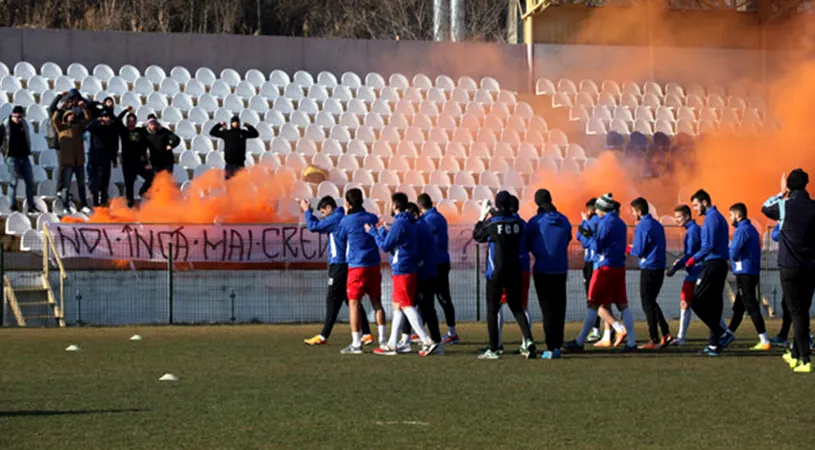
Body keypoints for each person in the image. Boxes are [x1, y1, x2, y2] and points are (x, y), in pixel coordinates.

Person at [367, 193, 440, 357]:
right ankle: (392, 343)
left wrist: (374, 232)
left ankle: (427, 341)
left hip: (402, 268)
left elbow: (386, 246)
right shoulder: (409, 222)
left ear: (394, 205)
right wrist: (383, 232)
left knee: (406, 305)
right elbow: (396, 243)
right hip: (407, 267)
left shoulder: (400, 222)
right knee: (398, 305)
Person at [565, 193, 637, 352]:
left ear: (602, 208)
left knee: (593, 303)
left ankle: (580, 341)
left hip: (605, 267)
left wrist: (588, 238)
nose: (595, 211)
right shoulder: (620, 223)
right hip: (619, 267)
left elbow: (596, 246)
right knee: (623, 305)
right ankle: (631, 343)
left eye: (597, 208)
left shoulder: (605, 223)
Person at [301, 196, 373, 346]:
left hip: (339, 264)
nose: (323, 216)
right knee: (351, 299)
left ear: (329, 208)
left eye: (323, 212)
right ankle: (366, 333)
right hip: (346, 263)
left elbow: (313, 226)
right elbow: (319, 224)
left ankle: (323, 335)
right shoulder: (340, 217)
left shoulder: (335, 218)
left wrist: (307, 211)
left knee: (332, 299)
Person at [472, 191, 536, 360]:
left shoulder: (493, 223)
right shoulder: (517, 223)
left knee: (492, 309)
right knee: (517, 307)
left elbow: (478, 235)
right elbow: (508, 224)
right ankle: (528, 341)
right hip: (514, 269)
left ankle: (494, 348)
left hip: (495, 272)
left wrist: (482, 215)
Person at [762, 169, 815, 373]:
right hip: (811, 267)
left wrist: (780, 192)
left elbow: (765, 207)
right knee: (801, 311)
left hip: (790, 267)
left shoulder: (784, 205)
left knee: (797, 312)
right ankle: (794, 354)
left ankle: (804, 359)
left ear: (790, 186)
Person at [334, 188, 386, 354]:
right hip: (373, 264)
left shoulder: (346, 221)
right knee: (377, 303)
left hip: (356, 266)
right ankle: (384, 340)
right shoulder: (371, 217)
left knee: (354, 303)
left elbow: (341, 237)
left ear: (348, 203)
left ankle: (357, 343)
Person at [686, 189, 734, 356]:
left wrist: (692, 259)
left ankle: (722, 333)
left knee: (696, 301)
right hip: (718, 264)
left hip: (713, 263)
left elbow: (709, 245)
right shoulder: (716, 217)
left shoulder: (712, 218)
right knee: (714, 305)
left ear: (705, 202)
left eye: (696, 205)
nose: (695, 209)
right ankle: (714, 345)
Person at [527, 189, 572, 359]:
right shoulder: (564, 220)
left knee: (547, 310)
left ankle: (550, 347)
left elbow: (529, 243)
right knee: (560, 308)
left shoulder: (535, 222)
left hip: (542, 269)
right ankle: (558, 345)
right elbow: (567, 238)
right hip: (561, 269)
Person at [397, 202, 444, 351]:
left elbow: (418, 251)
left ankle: (430, 341)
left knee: (414, 306)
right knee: (414, 306)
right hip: (427, 271)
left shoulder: (419, 228)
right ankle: (409, 339)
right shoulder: (423, 226)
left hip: (423, 273)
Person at [629, 197, 673, 349]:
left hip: (649, 267)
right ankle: (665, 332)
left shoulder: (643, 226)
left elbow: (639, 250)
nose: (632, 214)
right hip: (659, 267)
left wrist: (628, 248)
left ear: (639, 211)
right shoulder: (657, 225)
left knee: (647, 302)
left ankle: (653, 339)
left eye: (633, 211)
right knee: (652, 301)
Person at [725, 203, 770, 350]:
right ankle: (729, 333)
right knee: (739, 306)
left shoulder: (742, 230)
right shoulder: (751, 229)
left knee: (750, 306)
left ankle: (764, 339)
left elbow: (734, 251)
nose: (730, 218)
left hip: (745, 273)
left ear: (738, 215)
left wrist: (729, 251)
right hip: (750, 272)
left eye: (731, 215)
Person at [417, 193, 458, 344]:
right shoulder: (438, 217)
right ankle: (422, 330)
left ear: (420, 206)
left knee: (439, 298)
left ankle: (452, 333)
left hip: (435, 263)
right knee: (431, 298)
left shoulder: (429, 220)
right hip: (440, 261)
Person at [666, 205, 702, 346]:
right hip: (692, 271)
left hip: (696, 272)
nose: (676, 220)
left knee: (699, 304)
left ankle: (722, 331)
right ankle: (681, 337)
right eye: (675, 218)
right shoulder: (692, 230)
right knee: (685, 302)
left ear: (687, 216)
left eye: (679, 217)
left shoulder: (693, 231)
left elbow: (691, 254)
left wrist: (677, 265)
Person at [577, 198, 606, 344]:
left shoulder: (590, 222)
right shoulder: (603, 222)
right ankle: (606, 330)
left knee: (592, 298)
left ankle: (596, 330)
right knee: (603, 299)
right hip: (600, 263)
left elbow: (581, 239)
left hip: (591, 263)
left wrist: (583, 222)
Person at [52, 103, 91, 213]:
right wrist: (60, 109)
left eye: (73, 115)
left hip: (79, 161)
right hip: (67, 162)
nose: (72, 116)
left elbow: (88, 120)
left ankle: (84, 205)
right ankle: (66, 206)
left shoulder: (78, 127)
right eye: (69, 115)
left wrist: (84, 108)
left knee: (81, 185)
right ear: (65, 117)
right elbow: (54, 119)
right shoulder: (61, 128)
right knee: (66, 186)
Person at [0, 106, 38, 212]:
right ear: (12, 115)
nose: (19, 119)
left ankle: (31, 205)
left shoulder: (24, 124)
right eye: (17, 116)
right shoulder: (5, 125)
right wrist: (5, 155)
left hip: (24, 157)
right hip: (12, 157)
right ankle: (13, 205)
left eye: (21, 116)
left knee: (30, 182)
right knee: (13, 182)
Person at [116, 110, 154, 207]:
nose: (131, 123)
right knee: (129, 184)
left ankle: (142, 191)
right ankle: (130, 204)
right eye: (129, 121)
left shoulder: (139, 131)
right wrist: (125, 111)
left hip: (139, 163)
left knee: (151, 177)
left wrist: (146, 161)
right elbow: (116, 120)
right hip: (127, 163)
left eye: (133, 121)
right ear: (127, 122)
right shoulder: (123, 131)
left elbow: (150, 127)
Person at [85, 110, 120, 207]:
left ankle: (103, 201)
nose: (107, 119)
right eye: (104, 117)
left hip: (106, 158)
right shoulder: (97, 127)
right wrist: (98, 120)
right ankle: (95, 202)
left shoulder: (112, 129)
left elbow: (114, 145)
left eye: (108, 117)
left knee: (105, 181)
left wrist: (114, 159)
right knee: (96, 181)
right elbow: (88, 127)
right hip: (96, 158)